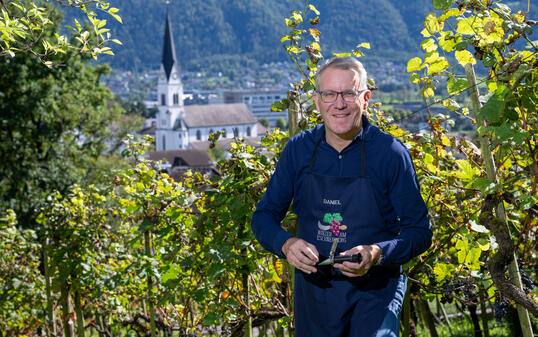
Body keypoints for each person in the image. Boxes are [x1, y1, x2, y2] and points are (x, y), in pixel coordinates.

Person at [251, 56, 432, 337]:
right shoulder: (299, 150)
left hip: (376, 292)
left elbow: (420, 232)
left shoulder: (390, 154)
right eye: (329, 94)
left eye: (349, 93)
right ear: (316, 100)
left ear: (365, 98)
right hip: (314, 293)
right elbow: (263, 217)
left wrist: (377, 252)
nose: (339, 103)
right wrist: (286, 244)